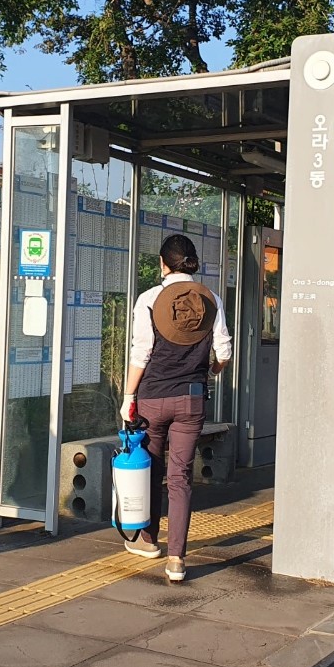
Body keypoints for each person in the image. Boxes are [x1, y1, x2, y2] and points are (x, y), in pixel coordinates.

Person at [119, 233, 232, 582]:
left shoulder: (150, 299)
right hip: (191, 399)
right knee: (180, 476)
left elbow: (141, 353)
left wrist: (128, 396)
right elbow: (224, 352)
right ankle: (176, 560)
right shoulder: (210, 298)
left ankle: (148, 541)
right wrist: (210, 370)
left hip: (153, 397)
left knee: (151, 468)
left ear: (163, 264)